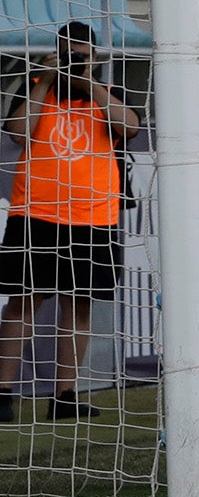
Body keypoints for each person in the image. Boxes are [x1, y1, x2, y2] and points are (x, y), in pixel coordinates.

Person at [0, 21, 140, 423]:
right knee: (22, 303)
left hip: (93, 218)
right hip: (36, 214)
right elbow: (17, 133)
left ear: (95, 57)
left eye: (82, 54)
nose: (75, 60)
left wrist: (87, 81)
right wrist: (45, 79)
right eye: (68, 53)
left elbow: (129, 126)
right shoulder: (37, 89)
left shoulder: (108, 94)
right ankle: (2, 392)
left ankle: (64, 396)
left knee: (78, 307)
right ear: (56, 52)